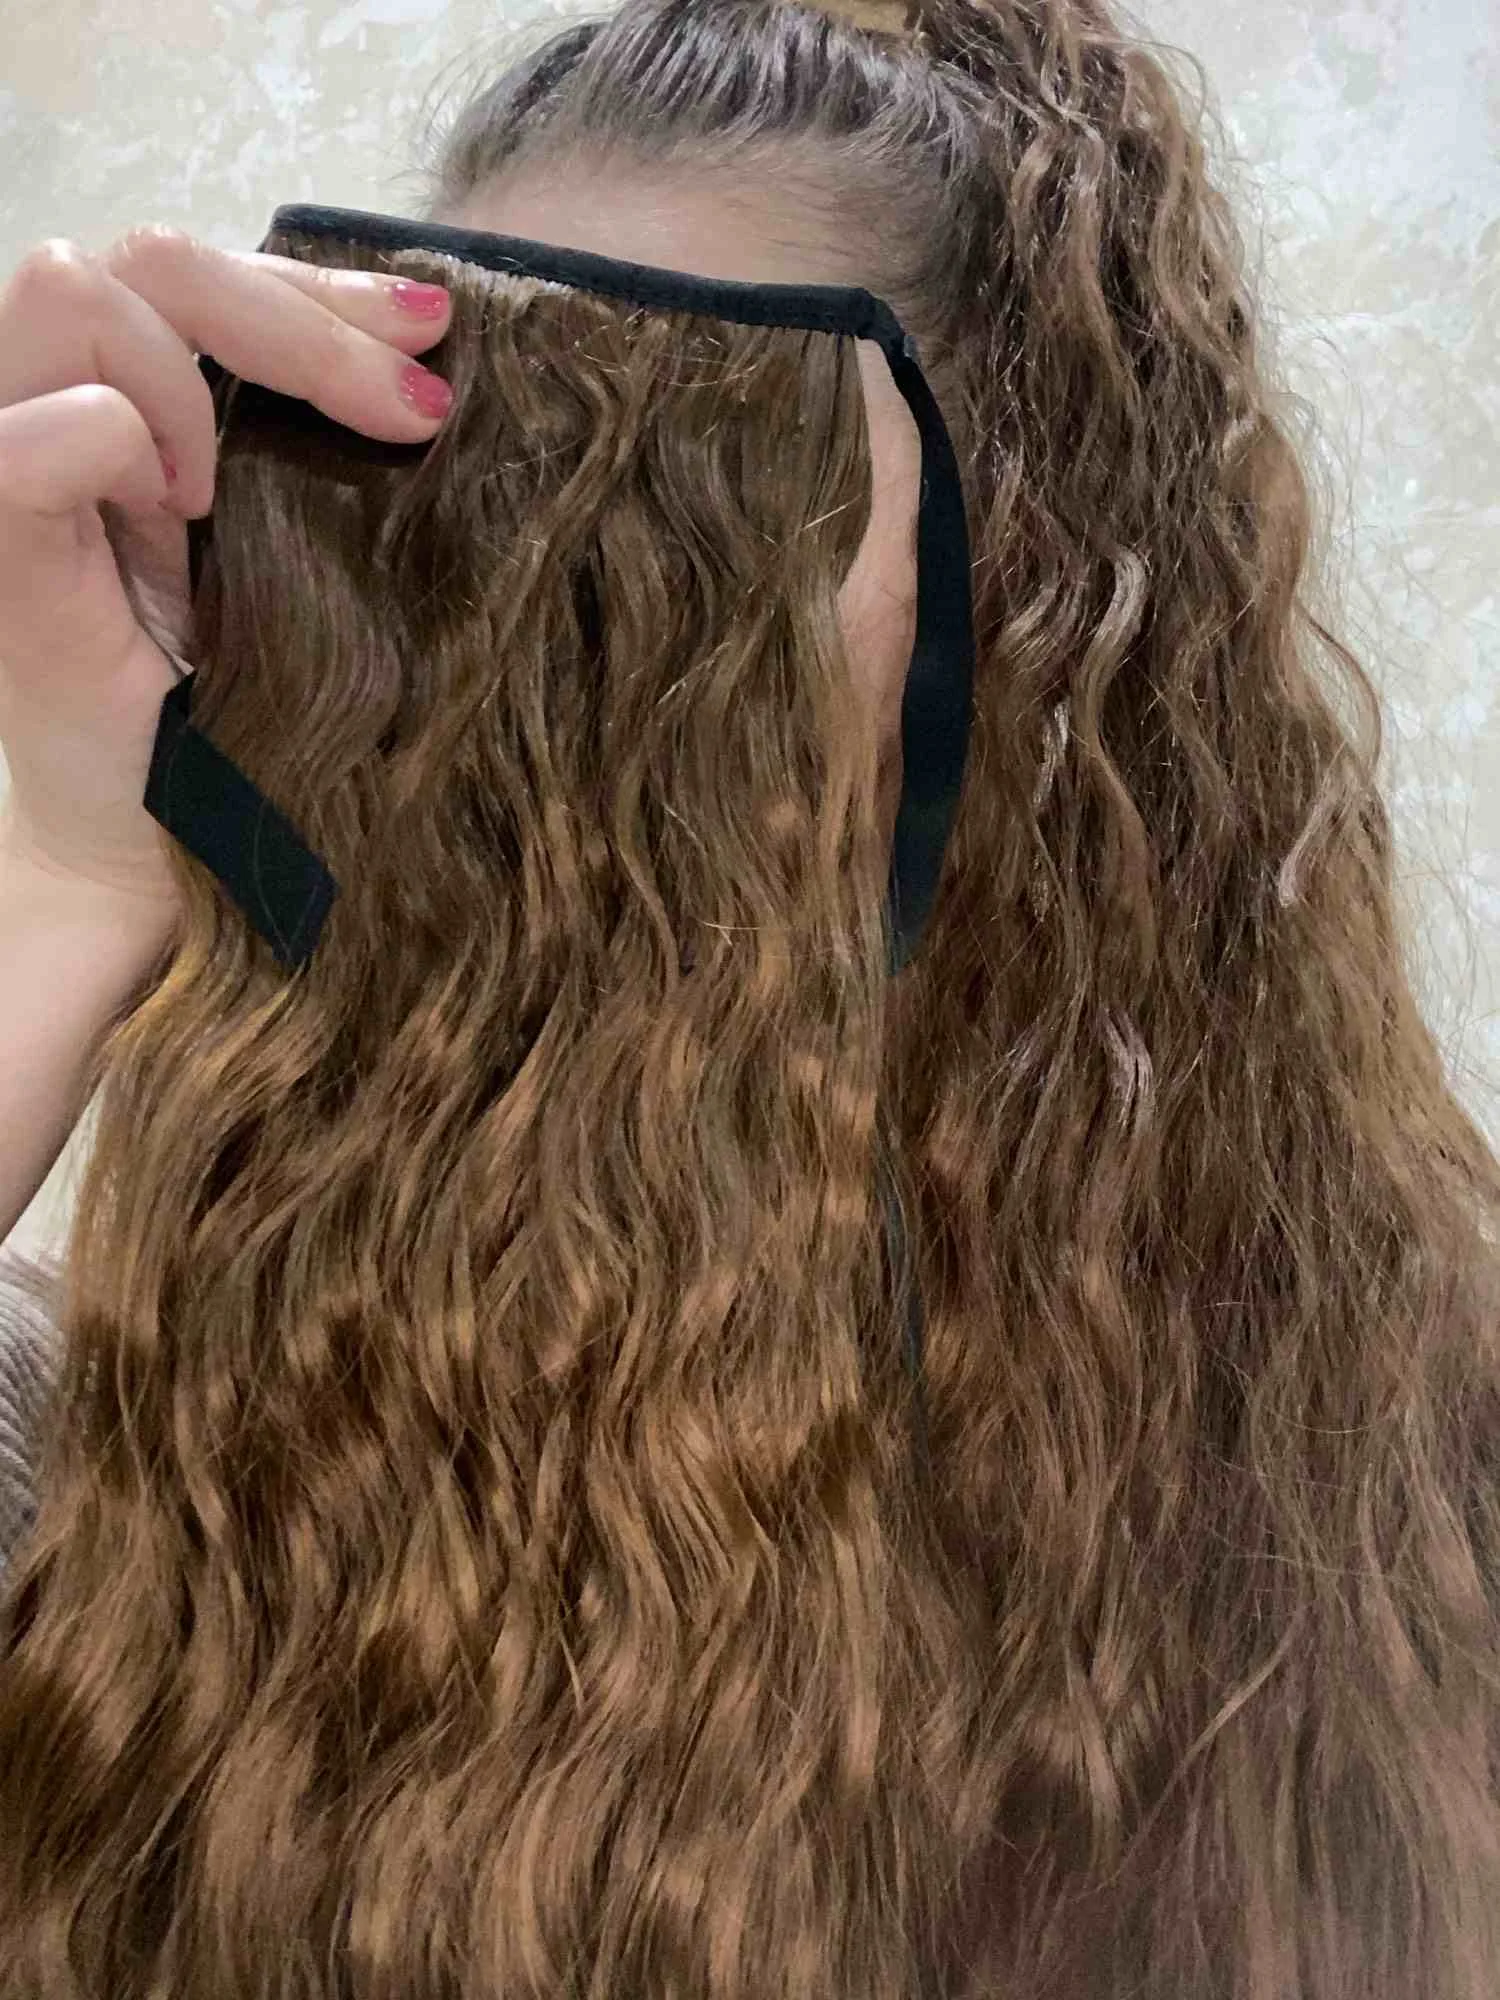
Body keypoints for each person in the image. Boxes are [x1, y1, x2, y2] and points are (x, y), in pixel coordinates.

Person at [2, 2, 1499, 1996]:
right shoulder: (110, 1450)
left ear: (1037, 631)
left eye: (687, 526)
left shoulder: (1404, 1507)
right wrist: (70, 874)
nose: (540, 682)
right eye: (444, 525)